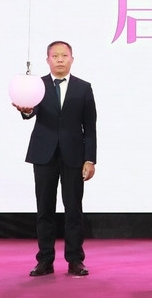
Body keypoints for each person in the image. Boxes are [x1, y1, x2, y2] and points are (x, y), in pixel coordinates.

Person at [17, 40, 97, 276]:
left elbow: (90, 127)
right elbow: (30, 111)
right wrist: (26, 110)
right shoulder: (37, 85)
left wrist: (90, 159)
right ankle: (45, 260)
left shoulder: (83, 88)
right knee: (44, 209)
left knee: (74, 209)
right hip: (44, 154)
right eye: (55, 56)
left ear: (72, 59)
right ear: (47, 60)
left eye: (64, 55)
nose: (60, 59)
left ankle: (75, 260)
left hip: (74, 156)